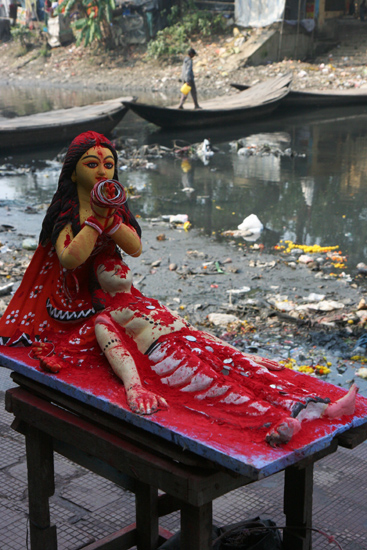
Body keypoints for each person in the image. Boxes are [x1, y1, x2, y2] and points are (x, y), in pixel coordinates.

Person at [31, 251, 359, 448]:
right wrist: (135, 386)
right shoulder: (108, 316)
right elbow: (117, 349)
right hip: (169, 355)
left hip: (196, 341)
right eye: (106, 267)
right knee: (221, 389)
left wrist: (243, 354)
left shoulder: (150, 302)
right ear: (97, 283)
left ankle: (320, 409)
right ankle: (276, 422)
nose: (116, 267)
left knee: (253, 374)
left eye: (119, 263)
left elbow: (193, 328)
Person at [0, 131, 142, 347]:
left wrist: (113, 223)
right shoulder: (67, 212)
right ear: (73, 173)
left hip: (110, 286)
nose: (103, 172)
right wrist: (96, 221)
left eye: (109, 165)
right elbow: (68, 259)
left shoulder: (117, 209)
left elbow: (135, 249)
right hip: (71, 293)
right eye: (92, 165)